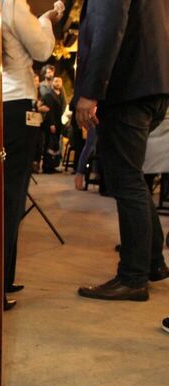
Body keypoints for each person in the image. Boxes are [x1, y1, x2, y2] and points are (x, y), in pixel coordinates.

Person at [74, 0, 169, 302]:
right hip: (152, 86)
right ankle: (152, 262)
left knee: (126, 181)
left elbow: (108, 28)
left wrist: (90, 92)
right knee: (132, 178)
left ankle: (132, 277)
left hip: (126, 87)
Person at [0, 0, 63, 310]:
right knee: (11, 196)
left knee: (0, 195)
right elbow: (41, 49)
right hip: (17, 105)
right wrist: (46, 20)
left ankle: (3, 278)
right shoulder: (10, 3)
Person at [41, 76, 66, 173]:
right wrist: (51, 124)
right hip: (51, 123)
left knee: (56, 145)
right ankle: (47, 166)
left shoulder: (62, 96)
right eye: (56, 81)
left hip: (59, 122)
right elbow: (49, 111)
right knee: (49, 144)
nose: (58, 83)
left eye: (60, 81)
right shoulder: (48, 95)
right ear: (52, 83)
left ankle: (54, 165)